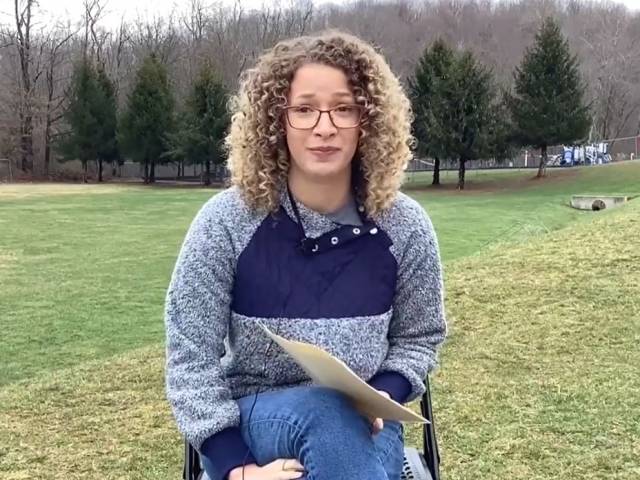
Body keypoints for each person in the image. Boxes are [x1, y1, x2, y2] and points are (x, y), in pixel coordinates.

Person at [164, 30, 447, 480]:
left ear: (367, 120)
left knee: (339, 420)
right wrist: (236, 468)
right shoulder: (226, 223)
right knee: (325, 412)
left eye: (343, 108)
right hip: (255, 421)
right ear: (276, 121)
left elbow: (420, 337)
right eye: (304, 109)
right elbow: (190, 357)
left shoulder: (405, 227)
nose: (324, 126)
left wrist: (381, 394)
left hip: (368, 422)